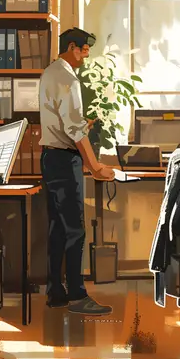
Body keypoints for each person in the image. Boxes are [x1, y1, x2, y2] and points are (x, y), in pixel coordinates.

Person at [39, 27, 115, 317]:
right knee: (76, 230)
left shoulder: (49, 73)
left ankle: (56, 292)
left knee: (58, 229)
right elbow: (72, 128)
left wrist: (80, 127)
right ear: (72, 47)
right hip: (64, 159)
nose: (86, 54)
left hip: (50, 157)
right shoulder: (68, 77)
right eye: (84, 49)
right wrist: (95, 166)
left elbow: (63, 121)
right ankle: (77, 295)